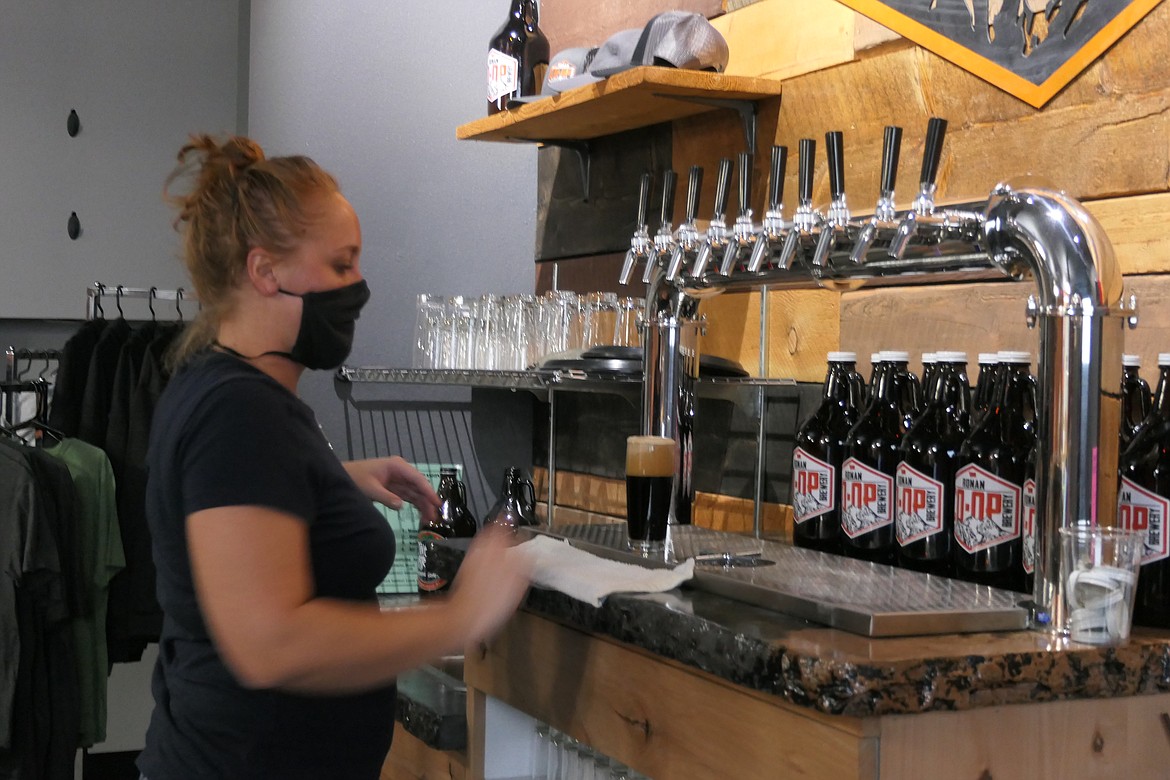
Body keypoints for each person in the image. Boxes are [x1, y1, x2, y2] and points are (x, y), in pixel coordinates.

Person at [136, 134, 532, 780]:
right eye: (341, 265)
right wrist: (460, 618)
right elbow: (270, 644)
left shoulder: (225, 389)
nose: (359, 287)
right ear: (265, 272)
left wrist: (332, 483)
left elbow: (222, 498)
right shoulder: (238, 413)